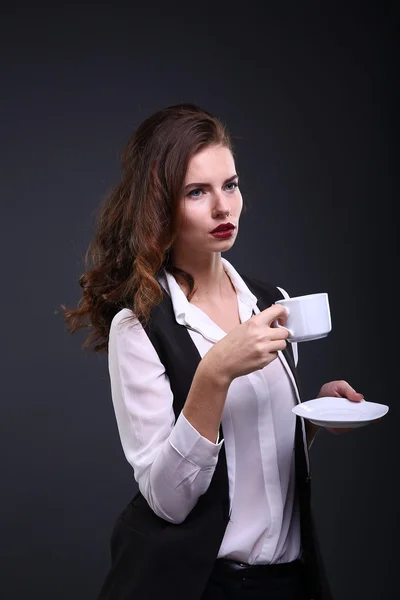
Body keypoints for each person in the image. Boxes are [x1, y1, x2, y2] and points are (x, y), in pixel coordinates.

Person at [61, 103, 365, 600]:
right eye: (197, 192)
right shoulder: (138, 326)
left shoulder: (273, 302)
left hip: (290, 580)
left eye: (231, 184)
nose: (224, 208)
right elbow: (168, 501)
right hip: (199, 585)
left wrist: (311, 419)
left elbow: (256, 456)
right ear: (160, 206)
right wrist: (215, 372)